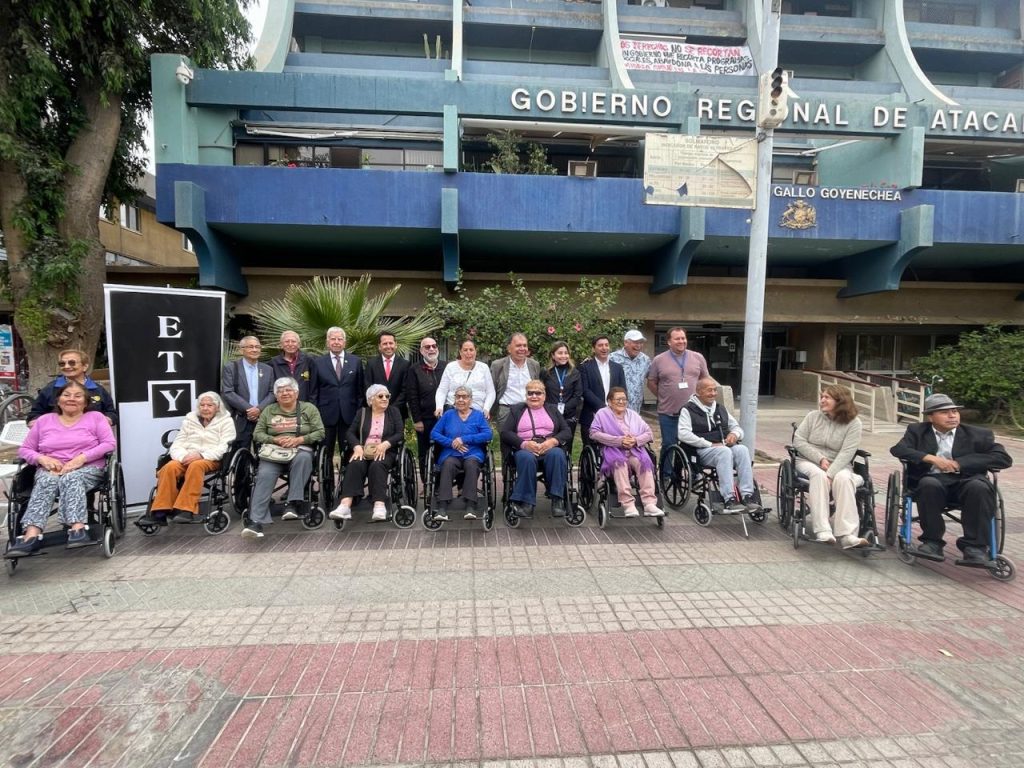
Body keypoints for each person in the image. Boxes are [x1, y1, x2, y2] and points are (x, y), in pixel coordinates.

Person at [890, 393, 1012, 564]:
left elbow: (1003, 458)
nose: (952, 416)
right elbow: (898, 449)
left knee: (979, 487)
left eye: (954, 411)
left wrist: (960, 463)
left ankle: (975, 548)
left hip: (966, 481)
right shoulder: (917, 431)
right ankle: (932, 542)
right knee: (928, 484)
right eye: (944, 412)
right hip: (932, 481)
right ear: (930, 417)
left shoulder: (979, 434)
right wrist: (930, 458)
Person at [6, 380, 117, 556]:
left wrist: (82, 458)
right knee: (46, 480)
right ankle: (31, 535)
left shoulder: (96, 418)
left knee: (71, 477)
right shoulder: (44, 421)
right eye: (66, 395)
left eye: (78, 396)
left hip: (87, 467)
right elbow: (25, 450)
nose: (71, 399)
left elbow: (109, 444)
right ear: (58, 400)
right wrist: (42, 458)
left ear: (86, 402)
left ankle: (77, 528)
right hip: (51, 468)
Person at [242, 377, 325, 538]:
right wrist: (275, 439)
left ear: (296, 393)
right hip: (274, 453)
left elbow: (320, 432)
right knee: (264, 475)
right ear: (276, 395)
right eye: (280, 391)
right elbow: (257, 434)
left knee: (303, 459)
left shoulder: (308, 409)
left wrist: (300, 439)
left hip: (300, 450)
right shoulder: (269, 410)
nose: (284, 393)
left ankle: (292, 503)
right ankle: (255, 522)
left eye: (288, 390)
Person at [792, 385, 869, 549]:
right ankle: (823, 530)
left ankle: (848, 535)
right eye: (822, 397)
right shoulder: (813, 417)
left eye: (827, 397)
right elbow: (798, 440)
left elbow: (848, 451)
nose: (822, 400)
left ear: (840, 401)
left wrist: (831, 473)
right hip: (808, 461)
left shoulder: (854, 423)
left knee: (844, 478)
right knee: (818, 475)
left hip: (839, 463)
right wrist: (819, 458)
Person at [142, 392, 236, 525]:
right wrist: (182, 457)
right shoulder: (190, 420)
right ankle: (160, 511)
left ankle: (186, 509)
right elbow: (178, 443)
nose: (205, 408)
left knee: (196, 465)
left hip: (211, 458)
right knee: (170, 467)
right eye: (202, 405)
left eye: (209, 405)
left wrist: (201, 455)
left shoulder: (226, 421)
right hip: (187, 456)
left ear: (217, 407)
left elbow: (224, 446)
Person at [677, 378, 760, 513]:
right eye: (709, 390)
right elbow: (683, 434)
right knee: (724, 452)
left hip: (722, 447)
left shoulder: (720, 408)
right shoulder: (688, 409)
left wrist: (734, 435)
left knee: (742, 450)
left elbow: (737, 428)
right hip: (700, 451)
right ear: (698, 391)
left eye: (715, 390)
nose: (713, 393)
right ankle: (729, 498)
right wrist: (709, 444)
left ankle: (747, 495)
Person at [330, 384, 405, 522]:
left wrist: (386, 444)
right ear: (371, 399)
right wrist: (357, 446)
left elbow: (400, 433)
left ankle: (379, 505)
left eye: (387, 396)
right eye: (380, 396)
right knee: (355, 464)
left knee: (377, 465)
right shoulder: (363, 412)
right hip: (364, 450)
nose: (385, 399)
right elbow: (350, 433)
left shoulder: (394, 412)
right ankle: (345, 505)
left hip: (385, 451)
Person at [500, 379, 571, 519]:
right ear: (526, 395)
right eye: (530, 393)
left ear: (544, 396)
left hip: (548, 447)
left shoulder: (552, 409)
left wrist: (553, 441)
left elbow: (566, 431)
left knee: (557, 454)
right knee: (526, 458)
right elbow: (505, 432)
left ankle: (557, 500)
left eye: (538, 393)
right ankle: (527, 504)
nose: (534, 396)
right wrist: (524, 444)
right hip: (525, 449)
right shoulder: (517, 410)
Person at [589, 387, 663, 517]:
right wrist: (619, 441)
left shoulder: (633, 415)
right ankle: (628, 504)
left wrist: (635, 440)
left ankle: (649, 503)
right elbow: (594, 433)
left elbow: (649, 433)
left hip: (634, 450)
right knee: (620, 464)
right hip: (613, 450)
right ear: (609, 402)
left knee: (643, 463)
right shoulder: (602, 414)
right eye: (618, 399)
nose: (621, 402)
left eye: (624, 399)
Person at [647, 327, 709, 476]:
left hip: (694, 413)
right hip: (669, 412)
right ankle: (666, 476)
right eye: (677, 339)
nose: (681, 341)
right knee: (669, 444)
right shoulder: (659, 360)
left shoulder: (698, 357)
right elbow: (651, 382)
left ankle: (693, 474)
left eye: (683, 338)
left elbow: (705, 380)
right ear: (669, 342)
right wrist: (662, 396)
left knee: (692, 444)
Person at [429, 386, 493, 520]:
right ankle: (442, 507)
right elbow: (434, 433)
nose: (461, 400)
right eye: (458, 397)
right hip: (451, 453)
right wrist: (451, 442)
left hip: (472, 453)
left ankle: (470, 505)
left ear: (470, 400)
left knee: (472, 465)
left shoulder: (478, 415)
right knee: (447, 465)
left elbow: (488, 434)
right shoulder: (448, 415)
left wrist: (464, 439)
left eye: (464, 397)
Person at [310, 326, 364, 466]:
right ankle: (327, 480)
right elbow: (313, 391)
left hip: (349, 414)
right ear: (327, 342)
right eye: (333, 339)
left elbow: (360, 391)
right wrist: (315, 414)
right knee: (325, 453)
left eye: (340, 339)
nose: (336, 342)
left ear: (344, 342)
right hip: (325, 414)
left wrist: (359, 412)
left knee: (349, 451)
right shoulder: (317, 362)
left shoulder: (356, 361)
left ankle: (347, 479)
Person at [27, 348, 117, 426]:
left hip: (90, 437)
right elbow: (34, 414)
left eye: (72, 363)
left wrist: (107, 419)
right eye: (62, 364)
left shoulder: (98, 390)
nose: (66, 366)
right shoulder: (50, 389)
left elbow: (112, 413)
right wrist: (36, 422)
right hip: (58, 437)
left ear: (85, 366)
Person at [221, 336, 275, 448]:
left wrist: (259, 409)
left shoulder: (267, 369)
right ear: (241, 350)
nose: (255, 350)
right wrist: (250, 410)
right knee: (240, 451)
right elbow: (228, 392)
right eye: (250, 347)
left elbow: (272, 392)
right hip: (241, 417)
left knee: (264, 452)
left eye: (257, 347)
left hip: (262, 418)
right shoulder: (231, 368)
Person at [407, 337, 444, 477]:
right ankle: (426, 480)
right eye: (427, 347)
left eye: (434, 346)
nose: (431, 349)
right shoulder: (414, 369)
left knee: (443, 450)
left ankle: (441, 483)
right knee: (424, 451)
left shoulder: (446, 367)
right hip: (425, 418)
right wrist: (417, 420)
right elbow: (412, 396)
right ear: (421, 351)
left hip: (444, 418)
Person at [579, 335, 626, 446]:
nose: (604, 348)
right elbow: (585, 390)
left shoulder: (618, 368)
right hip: (591, 415)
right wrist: (604, 408)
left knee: (614, 450)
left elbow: (622, 390)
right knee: (591, 449)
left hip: (615, 416)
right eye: (600, 345)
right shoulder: (585, 367)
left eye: (606, 345)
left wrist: (614, 407)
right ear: (593, 348)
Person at [435, 338, 495, 417]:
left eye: (471, 350)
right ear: (460, 352)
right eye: (465, 350)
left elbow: (491, 392)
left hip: (477, 412)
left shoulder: (484, 368)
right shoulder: (451, 367)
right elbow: (442, 390)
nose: (468, 353)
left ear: (475, 351)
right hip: (453, 411)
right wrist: (439, 407)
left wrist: (486, 409)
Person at [490, 332, 540, 424]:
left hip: (528, 410)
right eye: (518, 345)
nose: (522, 349)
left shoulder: (534, 365)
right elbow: (492, 389)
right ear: (509, 348)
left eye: (524, 345)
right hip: (507, 412)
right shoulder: (498, 365)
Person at [540, 340, 582, 448]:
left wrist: (565, 409)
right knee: (550, 445)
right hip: (549, 414)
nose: (563, 356)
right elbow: (541, 392)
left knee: (566, 446)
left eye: (566, 353)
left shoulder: (575, 372)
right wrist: (553, 409)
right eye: (560, 353)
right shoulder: (545, 372)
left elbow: (577, 395)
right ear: (553, 355)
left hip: (569, 415)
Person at [364, 331, 410, 419]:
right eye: (385, 344)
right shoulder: (371, 364)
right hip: (376, 411)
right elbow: (368, 387)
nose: (388, 346)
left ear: (396, 345)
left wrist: (392, 409)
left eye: (391, 343)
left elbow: (405, 390)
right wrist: (379, 405)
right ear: (379, 346)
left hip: (398, 413)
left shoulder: (405, 364)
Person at [610, 330, 651, 413]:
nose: (638, 345)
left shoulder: (645, 360)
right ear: (625, 343)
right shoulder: (612, 358)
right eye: (635, 342)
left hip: (635, 410)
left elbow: (653, 378)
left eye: (641, 342)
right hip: (614, 409)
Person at [269, 331, 314, 401]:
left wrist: (312, 403)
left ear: (299, 344)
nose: (290, 344)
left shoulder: (308, 360)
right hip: (282, 404)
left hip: (305, 404)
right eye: (287, 341)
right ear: (281, 344)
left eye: (293, 341)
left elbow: (314, 386)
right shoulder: (273, 363)